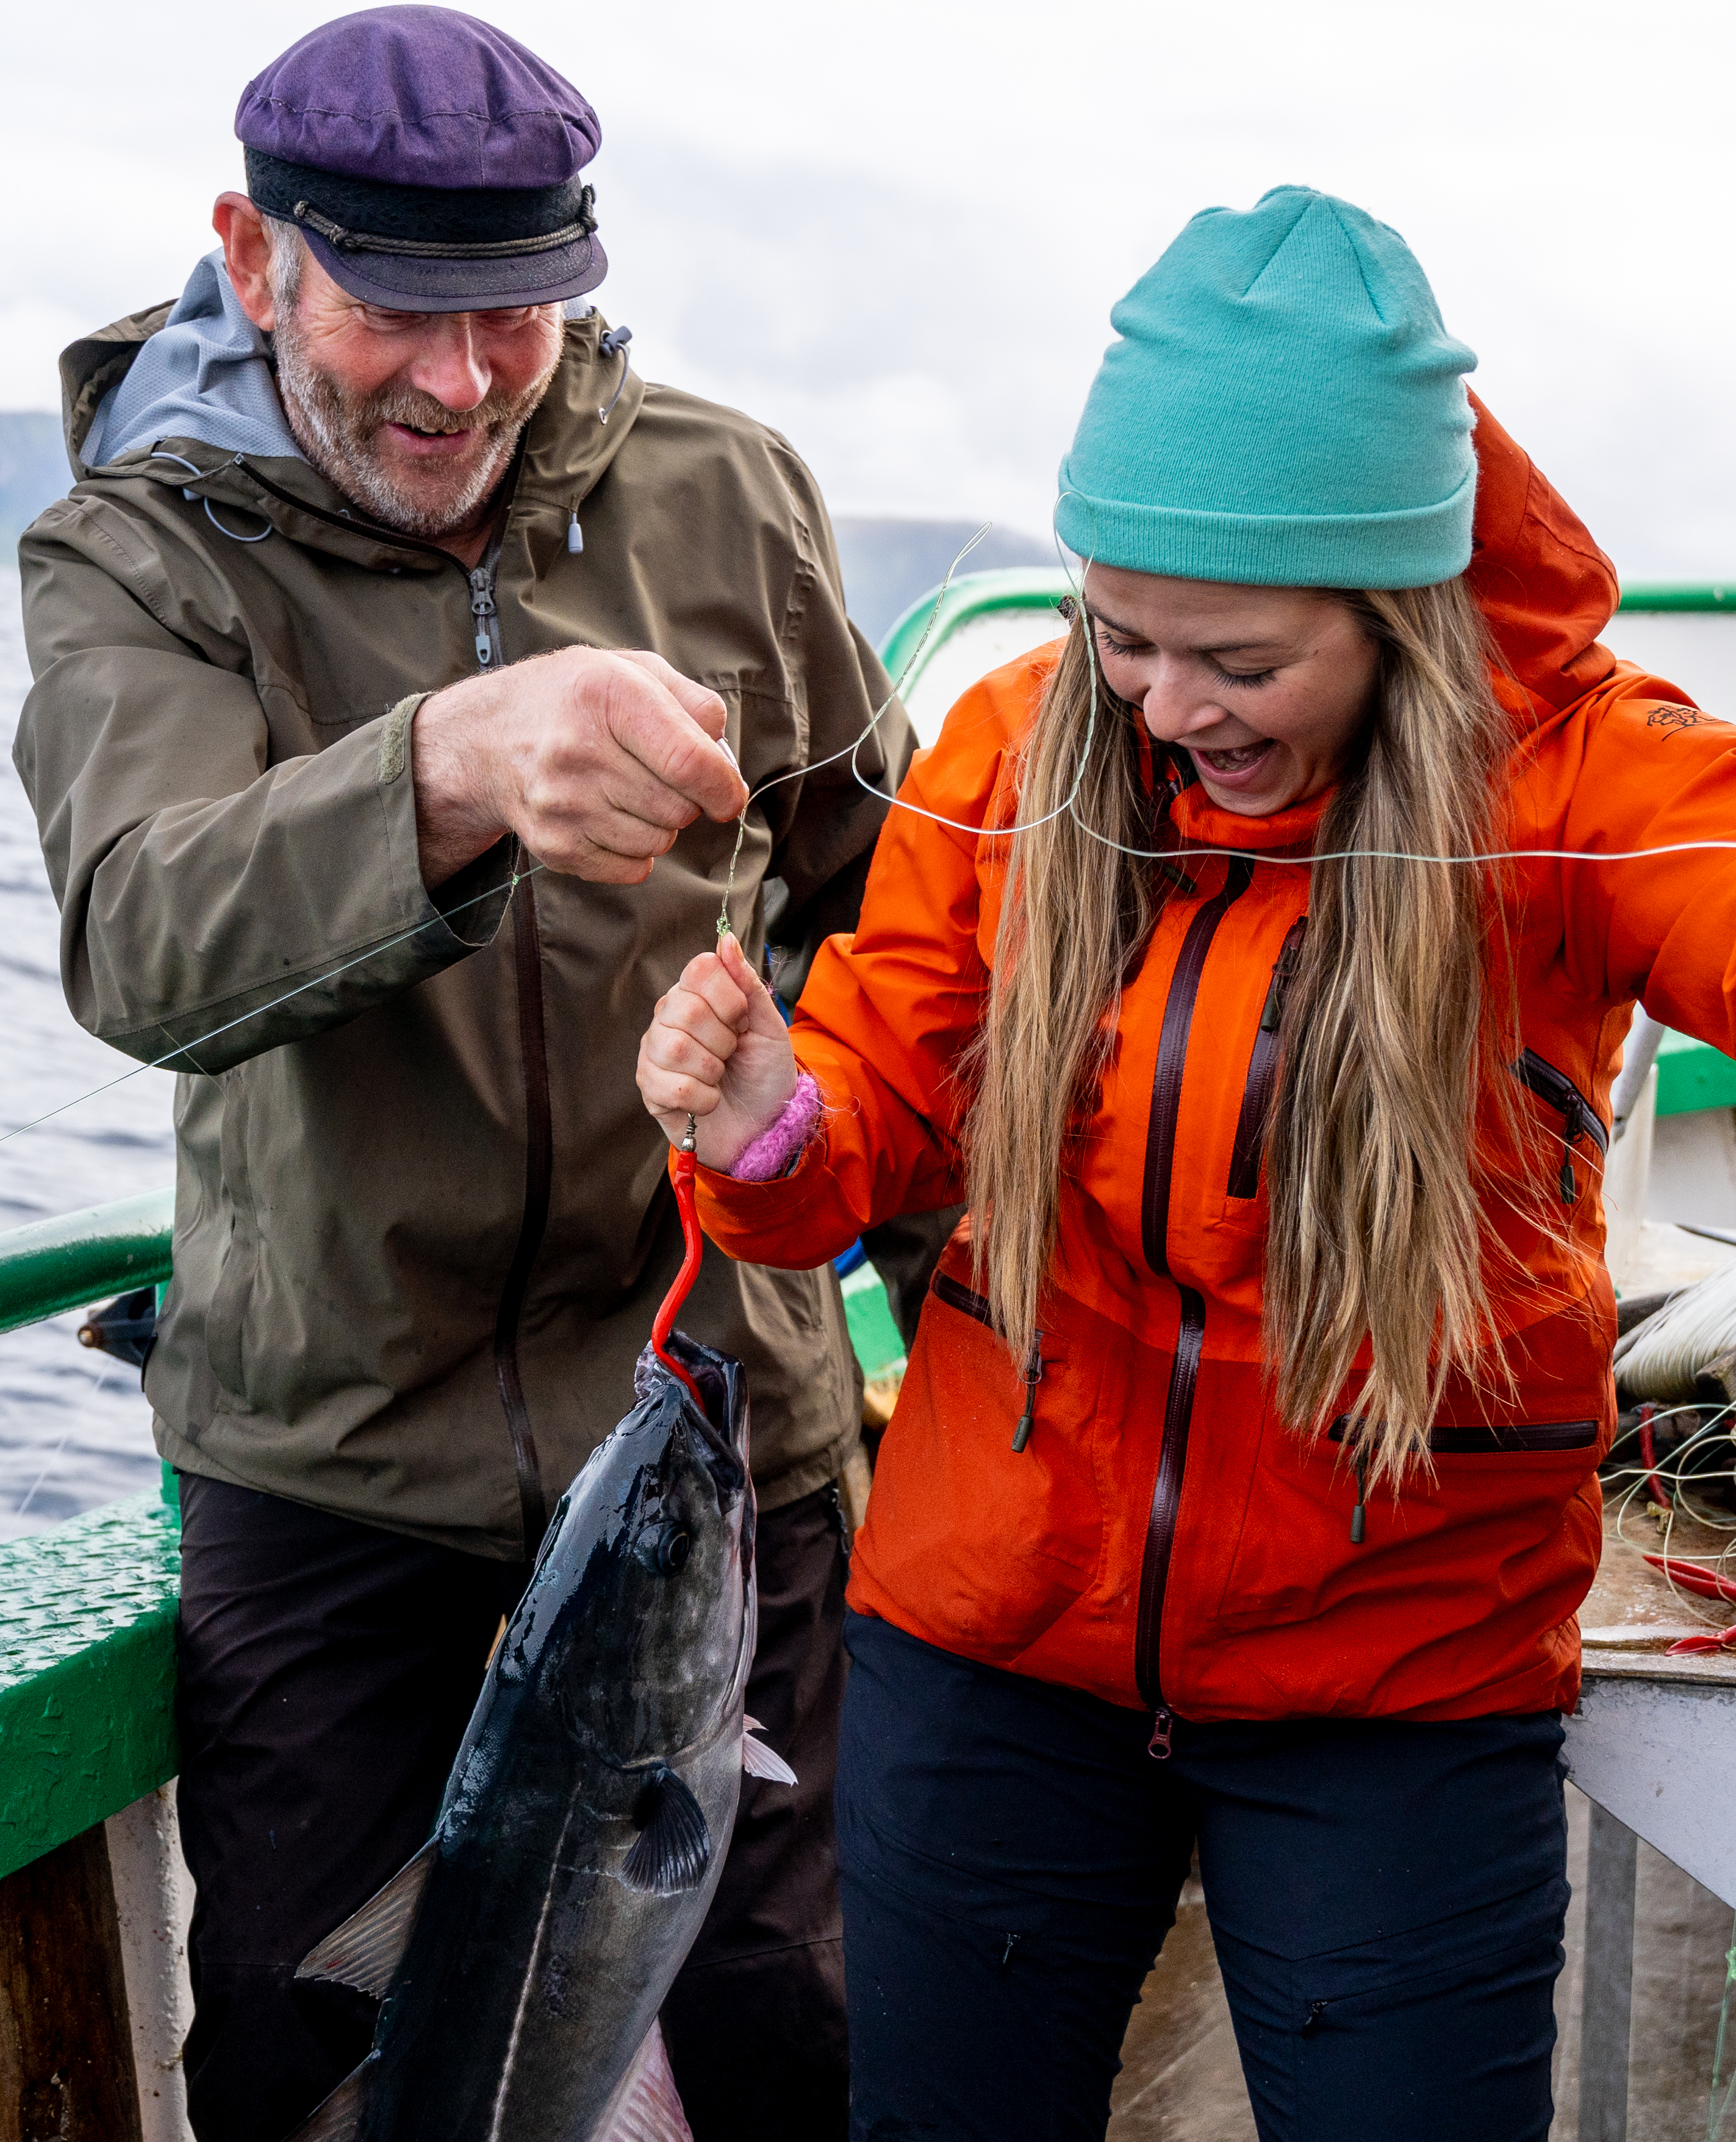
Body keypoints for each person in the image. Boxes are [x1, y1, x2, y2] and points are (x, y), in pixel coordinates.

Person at [637, 185, 1736, 2141]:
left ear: (1396, 611)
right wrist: (757, 1131)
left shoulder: (1576, 785)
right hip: (986, 1657)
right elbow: (843, 1150)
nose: (1163, 707)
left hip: (1401, 1685)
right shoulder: (1011, 746)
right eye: (1124, 635)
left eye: (1236, 659)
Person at [15, 10, 930, 2139]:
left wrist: (815, 1077)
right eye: (397, 315)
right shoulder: (132, 558)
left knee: (790, 2041)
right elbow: (140, 935)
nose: (459, 383)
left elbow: (891, 911)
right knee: (306, 2049)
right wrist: (442, 772)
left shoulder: (724, 489)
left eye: (519, 318)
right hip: (337, 1464)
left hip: (713, 1427)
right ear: (253, 258)